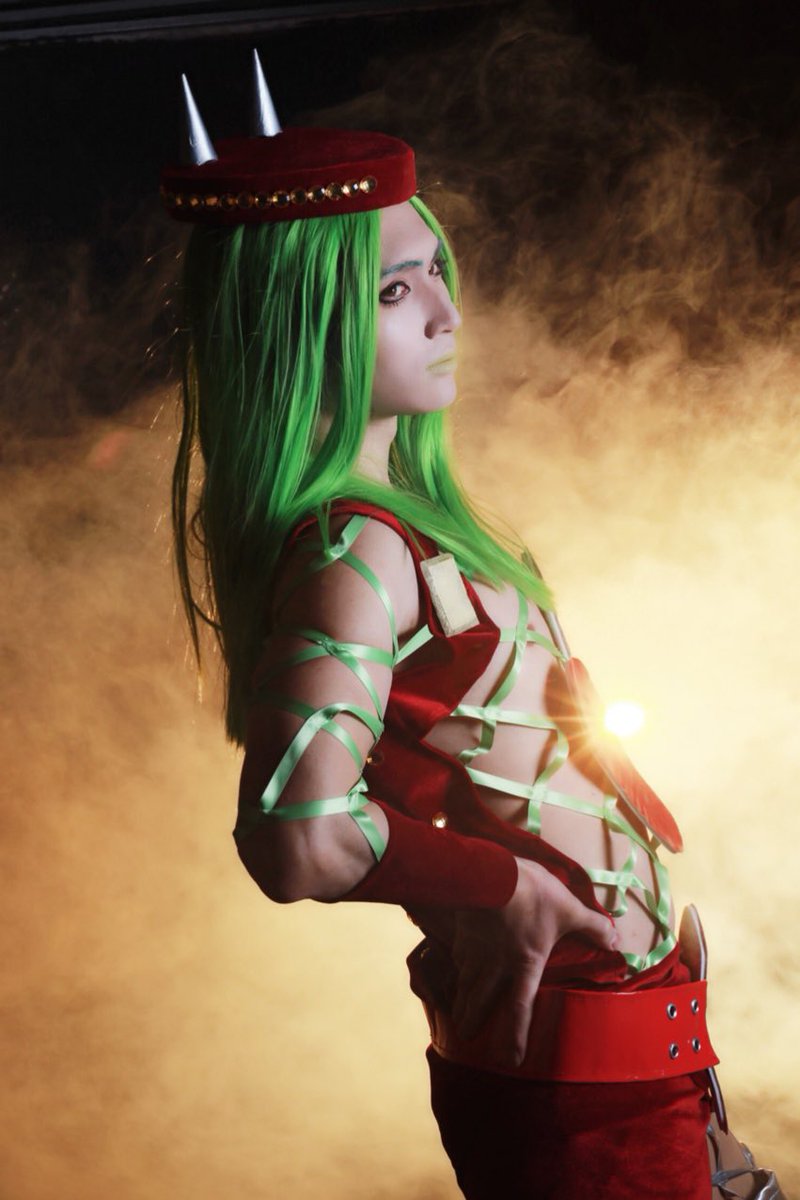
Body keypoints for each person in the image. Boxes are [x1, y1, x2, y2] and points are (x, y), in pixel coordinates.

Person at [163, 55, 785, 1200]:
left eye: (436, 272)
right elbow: (295, 836)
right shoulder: (354, 555)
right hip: (571, 1076)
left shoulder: (418, 531)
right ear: (296, 321)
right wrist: (501, 887)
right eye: (392, 292)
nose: (447, 313)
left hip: (630, 1049)